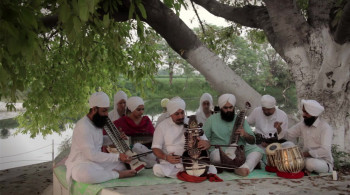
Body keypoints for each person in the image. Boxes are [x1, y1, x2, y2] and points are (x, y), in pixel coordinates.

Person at [65, 92, 136, 185]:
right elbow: (91, 155)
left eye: (107, 110)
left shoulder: (96, 121)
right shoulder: (83, 126)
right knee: (86, 175)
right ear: (94, 109)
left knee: (122, 165)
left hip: (96, 162)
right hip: (81, 164)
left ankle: (106, 174)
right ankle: (116, 175)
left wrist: (117, 138)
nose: (107, 114)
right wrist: (117, 156)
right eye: (104, 111)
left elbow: (99, 141)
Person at [151, 97, 217, 178]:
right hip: (172, 164)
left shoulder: (192, 123)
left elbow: (207, 142)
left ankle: (187, 172)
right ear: (170, 114)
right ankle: (190, 173)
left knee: (213, 169)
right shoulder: (162, 126)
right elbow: (155, 148)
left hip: (193, 161)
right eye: (177, 114)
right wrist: (166, 157)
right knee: (157, 169)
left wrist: (206, 143)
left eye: (182, 113)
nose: (180, 116)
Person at [203, 94, 264, 177]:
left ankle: (244, 168)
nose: (228, 110)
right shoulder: (211, 120)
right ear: (221, 108)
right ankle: (236, 166)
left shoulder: (240, 119)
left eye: (230, 107)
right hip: (220, 150)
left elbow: (253, 140)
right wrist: (206, 142)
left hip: (239, 150)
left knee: (258, 151)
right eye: (225, 108)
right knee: (217, 157)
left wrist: (245, 134)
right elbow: (203, 137)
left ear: (234, 107)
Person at [282, 99, 333, 174]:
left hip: (322, 161)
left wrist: (305, 154)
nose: (303, 115)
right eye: (303, 111)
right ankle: (302, 167)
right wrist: (279, 129)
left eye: (306, 112)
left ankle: (301, 167)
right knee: (286, 145)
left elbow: (325, 151)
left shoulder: (325, 128)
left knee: (310, 163)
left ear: (314, 113)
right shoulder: (303, 124)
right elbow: (288, 135)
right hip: (304, 158)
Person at [113, 96, 157, 168]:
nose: (141, 112)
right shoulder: (122, 122)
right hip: (130, 155)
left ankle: (149, 163)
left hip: (147, 152)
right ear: (131, 109)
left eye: (143, 109)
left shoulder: (146, 120)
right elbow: (108, 133)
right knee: (136, 147)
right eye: (138, 109)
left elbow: (155, 137)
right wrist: (120, 137)